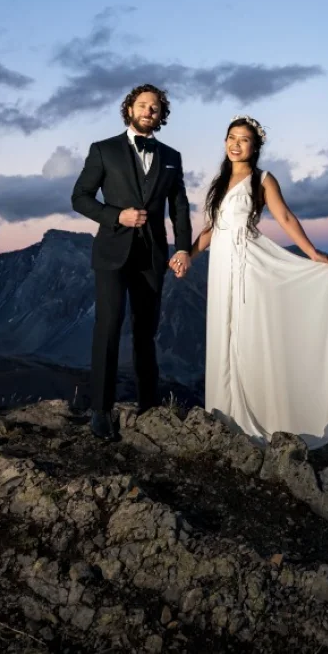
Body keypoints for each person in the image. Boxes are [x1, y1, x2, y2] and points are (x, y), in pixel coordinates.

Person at [181, 116, 328, 448]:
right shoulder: (219, 182)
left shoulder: (262, 179)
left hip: (248, 266)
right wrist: (188, 255)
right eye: (231, 138)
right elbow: (210, 230)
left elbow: (285, 217)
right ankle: (224, 416)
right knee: (223, 334)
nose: (235, 144)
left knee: (247, 337)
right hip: (220, 268)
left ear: (255, 146)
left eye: (243, 140)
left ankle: (257, 419)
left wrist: (312, 253)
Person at [71, 83, 193, 440]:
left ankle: (149, 406)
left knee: (145, 332)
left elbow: (179, 206)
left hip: (153, 255)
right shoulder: (103, 150)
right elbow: (79, 197)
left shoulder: (172, 155)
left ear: (161, 115)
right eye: (142, 105)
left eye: (155, 107)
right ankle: (101, 410)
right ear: (129, 110)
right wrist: (115, 215)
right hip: (112, 252)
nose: (148, 111)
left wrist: (183, 247)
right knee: (108, 328)